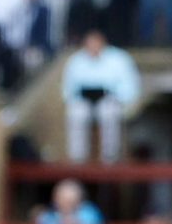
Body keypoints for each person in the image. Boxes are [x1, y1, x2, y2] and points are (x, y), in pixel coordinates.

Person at [60, 30, 141, 162]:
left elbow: (129, 85)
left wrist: (120, 98)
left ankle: (109, 157)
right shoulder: (75, 60)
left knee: (108, 112)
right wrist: (74, 98)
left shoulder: (119, 58)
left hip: (109, 99)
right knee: (76, 113)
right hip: (83, 100)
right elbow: (68, 88)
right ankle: (77, 157)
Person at [35, 178, 105, 224]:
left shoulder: (88, 213)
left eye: (70, 201)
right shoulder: (50, 214)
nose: (66, 205)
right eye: (62, 199)